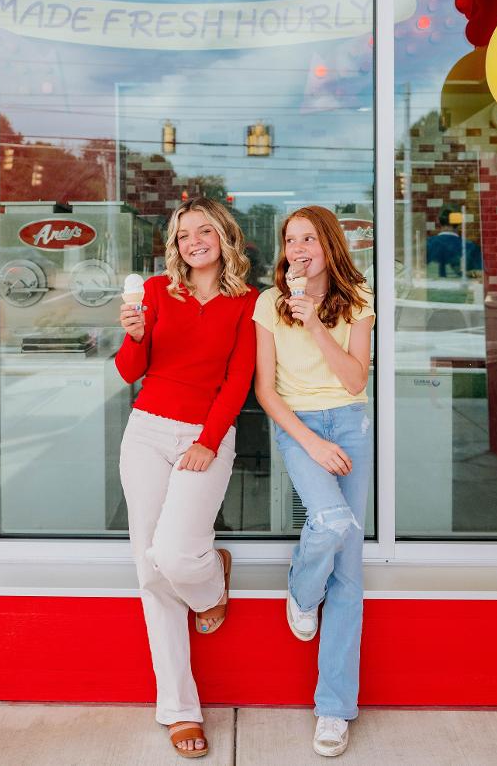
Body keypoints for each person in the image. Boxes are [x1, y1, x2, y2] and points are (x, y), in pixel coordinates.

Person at [116, 197, 258, 758]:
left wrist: (207, 440)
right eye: (182, 234)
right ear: (174, 245)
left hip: (207, 434)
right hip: (146, 431)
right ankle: (179, 709)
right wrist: (133, 335)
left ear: (225, 237)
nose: (193, 241)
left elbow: (239, 380)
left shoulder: (249, 301)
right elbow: (130, 371)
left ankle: (210, 582)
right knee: (150, 569)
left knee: (175, 554)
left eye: (204, 231)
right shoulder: (155, 292)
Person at [253, 205, 375, 758]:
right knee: (329, 522)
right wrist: (311, 442)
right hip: (299, 427)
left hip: (351, 424)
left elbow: (353, 379)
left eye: (307, 238)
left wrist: (316, 325)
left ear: (329, 244)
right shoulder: (268, 303)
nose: (297, 249)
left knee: (348, 573)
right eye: (290, 240)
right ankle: (303, 591)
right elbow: (265, 391)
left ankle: (333, 709)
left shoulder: (358, 297)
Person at [426, 204, 483, 279]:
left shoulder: (426, 245)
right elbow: (482, 276)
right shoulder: (470, 247)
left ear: (438, 221)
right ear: (460, 222)